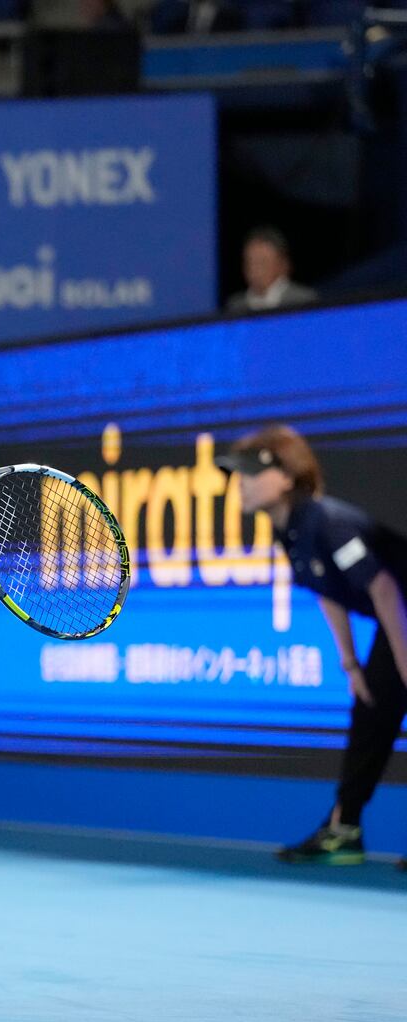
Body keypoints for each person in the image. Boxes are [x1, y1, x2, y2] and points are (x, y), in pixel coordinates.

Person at [219, 425, 407, 871]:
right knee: (372, 705)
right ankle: (344, 830)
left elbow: (382, 587)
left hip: (399, 608)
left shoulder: (327, 520)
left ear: (286, 478)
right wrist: (350, 663)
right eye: (237, 474)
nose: (239, 484)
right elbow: (331, 591)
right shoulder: (291, 530)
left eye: (250, 473)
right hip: (397, 615)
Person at [225, 227, 317, 314]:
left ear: (282, 265)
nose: (254, 269)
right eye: (250, 262)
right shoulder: (236, 305)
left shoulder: (303, 301)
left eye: (262, 262)